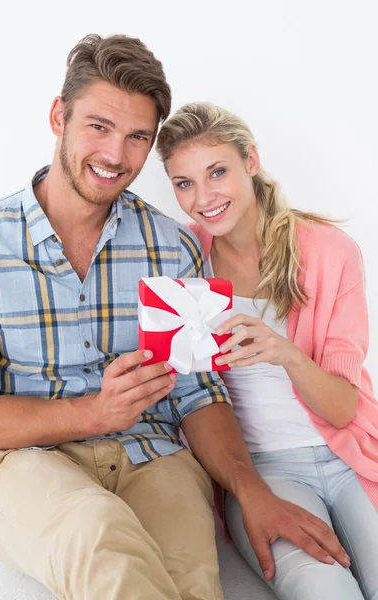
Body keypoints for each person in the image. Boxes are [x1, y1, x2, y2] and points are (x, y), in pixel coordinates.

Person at [0, 35, 348, 600]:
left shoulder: (171, 245)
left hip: (154, 453)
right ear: (59, 116)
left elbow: (200, 391)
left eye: (136, 138)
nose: (114, 155)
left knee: (194, 579)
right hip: (29, 458)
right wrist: (92, 413)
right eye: (98, 126)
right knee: (99, 538)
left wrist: (252, 491)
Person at [157, 101, 378, 600]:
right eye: (184, 183)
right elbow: (185, 394)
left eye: (218, 172)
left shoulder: (328, 250)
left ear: (250, 161)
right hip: (263, 469)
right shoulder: (182, 263)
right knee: (326, 592)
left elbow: (344, 408)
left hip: (351, 454)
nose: (204, 197)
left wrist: (285, 353)